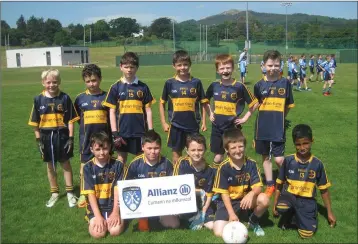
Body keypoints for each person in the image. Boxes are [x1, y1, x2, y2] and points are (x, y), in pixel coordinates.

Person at [273, 124, 336, 238]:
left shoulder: (317, 164)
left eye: (305, 143)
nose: (302, 147)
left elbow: (324, 190)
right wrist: (275, 204)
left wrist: (329, 213)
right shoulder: (288, 161)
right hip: (290, 196)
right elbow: (279, 184)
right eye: (298, 144)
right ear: (294, 144)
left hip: (307, 201)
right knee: (282, 207)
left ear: (312, 141)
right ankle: (291, 215)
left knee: (306, 234)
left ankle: (299, 217)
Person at [28, 69, 80, 208]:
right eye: (48, 82)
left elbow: (70, 120)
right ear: (43, 82)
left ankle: (70, 192)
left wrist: (70, 138)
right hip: (45, 136)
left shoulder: (65, 98)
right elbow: (35, 123)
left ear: (59, 82)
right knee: (50, 165)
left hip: (61, 135)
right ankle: (55, 193)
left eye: (54, 82)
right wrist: (38, 140)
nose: (52, 85)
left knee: (65, 163)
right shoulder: (38, 99)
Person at [212, 128, 270, 237]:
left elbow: (258, 187)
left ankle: (253, 222)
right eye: (233, 148)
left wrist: (251, 193)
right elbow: (224, 193)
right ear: (226, 149)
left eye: (241, 146)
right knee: (219, 232)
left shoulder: (251, 164)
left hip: (245, 200)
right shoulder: (223, 167)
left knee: (264, 199)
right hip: (228, 202)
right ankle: (236, 220)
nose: (238, 150)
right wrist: (231, 213)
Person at [253, 50, 295, 197]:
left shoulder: (285, 83)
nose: (273, 68)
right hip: (262, 126)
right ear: (264, 65)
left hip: (278, 127)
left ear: (281, 65)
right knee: (265, 156)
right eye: (270, 65)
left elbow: (288, 105)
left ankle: (288, 179)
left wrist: (281, 118)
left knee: (278, 159)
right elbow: (256, 104)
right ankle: (270, 184)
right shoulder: (259, 85)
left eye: (276, 65)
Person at [159, 50, 211, 165]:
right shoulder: (169, 83)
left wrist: (204, 122)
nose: (183, 67)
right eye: (179, 65)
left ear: (190, 65)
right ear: (174, 66)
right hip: (176, 125)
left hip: (192, 125)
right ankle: (177, 178)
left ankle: (194, 178)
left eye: (185, 64)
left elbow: (203, 103)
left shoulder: (196, 82)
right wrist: (163, 122)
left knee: (194, 154)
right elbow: (162, 103)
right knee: (176, 155)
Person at [205, 54, 258, 166]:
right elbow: (204, 101)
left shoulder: (239, 86)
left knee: (235, 155)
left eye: (228, 68)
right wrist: (210, 113)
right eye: (222, 68)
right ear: (217, 70)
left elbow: (254, 103)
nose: (225, 71)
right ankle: (216, 178)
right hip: (217, 127)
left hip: (232, 128)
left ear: (233, 68)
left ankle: (237, 177)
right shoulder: (214, 86)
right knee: (218, 157)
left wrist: (245, 118)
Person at [103, 52, 155, 164]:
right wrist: (115, 133)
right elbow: (111, 112)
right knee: (121, 159)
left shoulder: (143, 87)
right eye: (126, 67)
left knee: (141, 159)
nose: (129, 70)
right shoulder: (115, 87)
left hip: (140, 131)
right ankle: (121, 181)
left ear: (137, 68)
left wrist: (150, 130)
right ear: (121, 67)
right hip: (122, 132)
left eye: (132, 67)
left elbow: (148, 110)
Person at [124, 130, 180, 231]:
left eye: (156, 148)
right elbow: (126, 186)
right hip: (143, 203)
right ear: (142, 147)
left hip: (161, 203)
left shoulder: (167, 164)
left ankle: (158, 217)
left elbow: (174, 186)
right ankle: (143, 217)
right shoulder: (135, 164)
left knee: (174, 224)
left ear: (160, 147)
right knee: (143, 228)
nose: (152, 152)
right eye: (149, 148)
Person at [74, 64, 111, 208]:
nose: (91, 84)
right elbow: (78, 119)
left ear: (100, 79)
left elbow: (111, 117)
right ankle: (84, 192)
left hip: (105, 139)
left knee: (105, 164)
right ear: (84, 81)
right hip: (86, 140)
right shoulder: (80, 98)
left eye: (94, 80)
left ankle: (104, 189)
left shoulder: (107, 97)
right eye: (88, 81)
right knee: (84, 165)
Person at [81, 132, 126, 238]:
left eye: (105, 148)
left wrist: (115, 212)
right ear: (92, 149)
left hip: (113, 206)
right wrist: (98, 216)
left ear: (110, 147)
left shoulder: (118, 165)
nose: (102, 153)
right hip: (96, 208)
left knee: (115, 231)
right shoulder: (87, 168)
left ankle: (121, 217)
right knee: (98, 234)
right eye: (97, 150)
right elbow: (90, 194)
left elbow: (118, 190)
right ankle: (94, 218)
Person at [173, 133, 217, 230]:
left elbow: (209, 194)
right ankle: (188, 217)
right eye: (193, 150)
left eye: (200, 150)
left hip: (203, 204)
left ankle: (198, 217)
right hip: (186, 202)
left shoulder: (209, 170)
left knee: (211, 226)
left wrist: (204, 210)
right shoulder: (181, 163)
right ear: (187, 150)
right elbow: (175, 185)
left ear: (205, 149)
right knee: (176, 221)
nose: (196, 153)